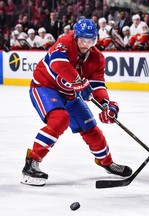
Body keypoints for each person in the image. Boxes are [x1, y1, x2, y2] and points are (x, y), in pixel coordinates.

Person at [21, 18, 132, 186]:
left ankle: (106, 162)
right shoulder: (64, 41)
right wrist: (79, 82)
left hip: (70, 95)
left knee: (91, 128)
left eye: (90, 40)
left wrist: (106, 104)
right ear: (75, 37)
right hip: (45, 86)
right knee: (60, 119)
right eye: (82, 40)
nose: (85, 44)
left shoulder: (97, 58)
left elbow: (97, 86)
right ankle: (31, 163)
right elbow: (58, 64)